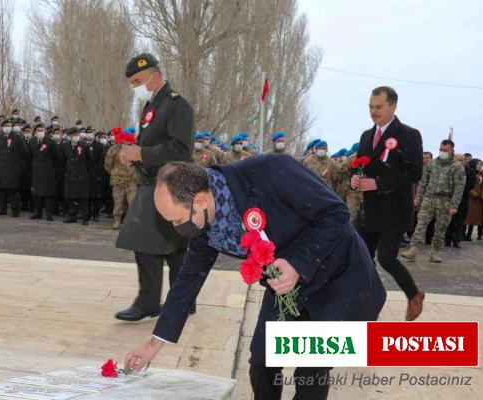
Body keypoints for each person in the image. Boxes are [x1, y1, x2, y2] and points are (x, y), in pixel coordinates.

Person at [123, 158, 386, 400]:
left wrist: (297, 265)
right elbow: (188, 280)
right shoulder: (208, 226)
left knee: (310, 368)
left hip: (337, 277)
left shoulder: (272, 171)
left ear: (200, 201)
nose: (176, 228)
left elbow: (336, 215)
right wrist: (154, 344)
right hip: (284, 286)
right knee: (262, 362)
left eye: (177, 219)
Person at [115, 53, 195, 321]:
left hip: (171, 184)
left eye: (139, 81)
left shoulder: (177, 105)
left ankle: (150, 302)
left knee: (148, 243)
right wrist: (132, 156)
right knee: (172, 246)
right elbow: (147, 142)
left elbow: (181, 148)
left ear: (155, 75)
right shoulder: (151, 107)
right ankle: (183, 300)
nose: (137, 87)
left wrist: (142, 154)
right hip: (152, 181)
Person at [351, 86, 424, 321]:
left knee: (386, 258)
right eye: (371, 107)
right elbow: (360, 166)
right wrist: (355, 178)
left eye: (379, 107)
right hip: (369, 210)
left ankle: (413, 294)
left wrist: (379, 183)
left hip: (394, 210)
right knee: (361, 257)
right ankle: (367, 302)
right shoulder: (365, 136)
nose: (374, 112)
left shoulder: (409, 135)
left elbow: (414, 173)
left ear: (393, 106)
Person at [400, 140, 465, 262]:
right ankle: (413, 250)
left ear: (452, 151)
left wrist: (454, 205)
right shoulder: (432, 164)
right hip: (429, 198)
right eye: (441, 149)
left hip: (445, 200)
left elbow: (459, 188)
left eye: (446, 150)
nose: (443, 152)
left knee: (441, 228)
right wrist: (418, 197)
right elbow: (423, 182)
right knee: (420, 225)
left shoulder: (457, 167)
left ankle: (435, 253)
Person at [104, 127, 137, 230]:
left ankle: (131, 222)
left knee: (132, 202)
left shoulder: (135, 149)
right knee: (118, 202)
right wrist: (115, 173)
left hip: (132, 181)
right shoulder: (113, 150)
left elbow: (140, 164)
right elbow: (107, 164)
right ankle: (117, 221)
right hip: (118, 181)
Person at [0, 119, 27, 217]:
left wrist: (19, 166)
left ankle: (15, 210)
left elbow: (24, 152)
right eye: (5, 126)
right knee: (1, 191)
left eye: (8, 125)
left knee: (13, 191)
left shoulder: (17, 137)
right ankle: (2, 209)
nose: (6, 127)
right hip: (1, 167)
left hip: (13, 168)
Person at [29, 124, 59, 220]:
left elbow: (56, 156)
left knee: (48, 194)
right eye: (38, 130)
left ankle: (49, 214)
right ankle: (38, 213)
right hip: (36, 171)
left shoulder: (50, 141)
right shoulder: (32, 141)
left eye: (42, 130)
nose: (40, 132)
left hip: (47, 171)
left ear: (45, 131)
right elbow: (30, 156)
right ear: (35, 132)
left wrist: (51, 167)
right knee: (36, 193)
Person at [61, 127, 90, 225]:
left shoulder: (84, 145)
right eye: (74, 135)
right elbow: (62, 160)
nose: (76, 137)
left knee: (83, 197)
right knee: (70, 197)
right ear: (70, 136)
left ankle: (85, 218)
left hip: (81, 176)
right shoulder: (65, 146)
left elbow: (90, 161)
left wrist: (87, 173)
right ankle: (72, 216)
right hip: (70, 175)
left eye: (77, 135)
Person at [445, 153, 474, 248]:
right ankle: (447, 240)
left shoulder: (469, 171)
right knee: (449, 221)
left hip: (463, 200)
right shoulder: (449, 170)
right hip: (449, 199)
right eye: (458, 160)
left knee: (459, 221)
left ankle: (456, 241)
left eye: (462, 160)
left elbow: (470, 185)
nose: (460, 162)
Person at [464, 159, 483, 241]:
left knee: (474, 218)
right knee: (467, 218)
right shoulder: (469, 173)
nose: (480, 166)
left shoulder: (481, 174)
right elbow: (466, 185)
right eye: (478, 164)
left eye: (481, 164)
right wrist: (473, 193)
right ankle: (462, 234)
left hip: (478, 200)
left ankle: (469, 235)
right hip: (470, 199)